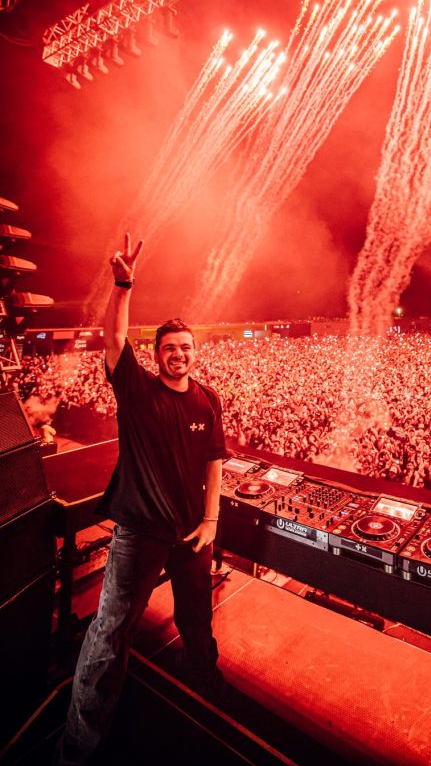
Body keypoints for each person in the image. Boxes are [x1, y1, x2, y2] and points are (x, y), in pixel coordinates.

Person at [54, 234, 227, 765]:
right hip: (139, 534)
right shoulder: (136, 389)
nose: (179, 354)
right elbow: (113, 337)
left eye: (186, 347)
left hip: (190, 531)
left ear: (195, 352)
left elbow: (214, 460)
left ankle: (204, 678)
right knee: (109, 633)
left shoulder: (208, 399)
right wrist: (123, 286)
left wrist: (211, 520)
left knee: (197, 615)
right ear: (156, 355)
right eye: (170, 348)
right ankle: (79, 743)